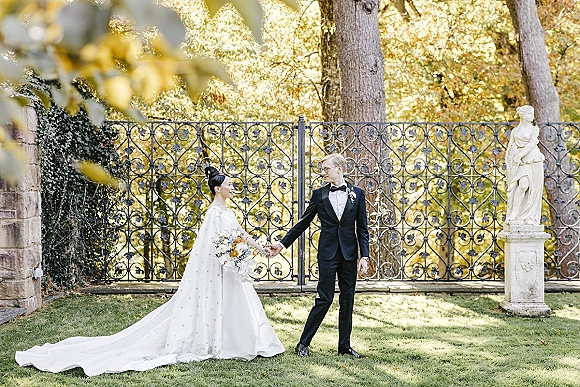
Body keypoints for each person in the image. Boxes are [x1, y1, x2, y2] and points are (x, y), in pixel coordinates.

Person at [15, 166, 284, 376]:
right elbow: (213, 247)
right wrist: (229, 255)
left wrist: (260, 249)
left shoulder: (228, 212)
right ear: (217, 189)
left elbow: (240, 235)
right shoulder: (214, 214)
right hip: (220, 269)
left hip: (230, 268)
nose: (232, 187)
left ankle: (245, 340)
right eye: (228, 184)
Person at [266, 153, 369, 358]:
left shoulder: (357, 194)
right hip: (328, 254)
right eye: (322, 169)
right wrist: (282, 244)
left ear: (339, 169)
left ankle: (344, 346)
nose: (323, 172)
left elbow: (363, 229)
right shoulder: (319, 195)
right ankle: (303, 343)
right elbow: (303, 222)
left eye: (326, 169)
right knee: (325, 298)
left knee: (347, 299)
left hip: (349, 254)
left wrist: (364, 256)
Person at [505, 105, 545, 225]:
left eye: (532, 114)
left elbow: (531, 144)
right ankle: (515, 213)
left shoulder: (534, 130)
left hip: (533, 159)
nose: (532, 116)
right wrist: (512, 159)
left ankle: (529, 216)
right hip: (521, 162)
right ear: (523, 115)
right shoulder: (515, 131)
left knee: (532, 188)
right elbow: (510, 147)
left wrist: (519, 155)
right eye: (529, 114)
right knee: (522, 185)